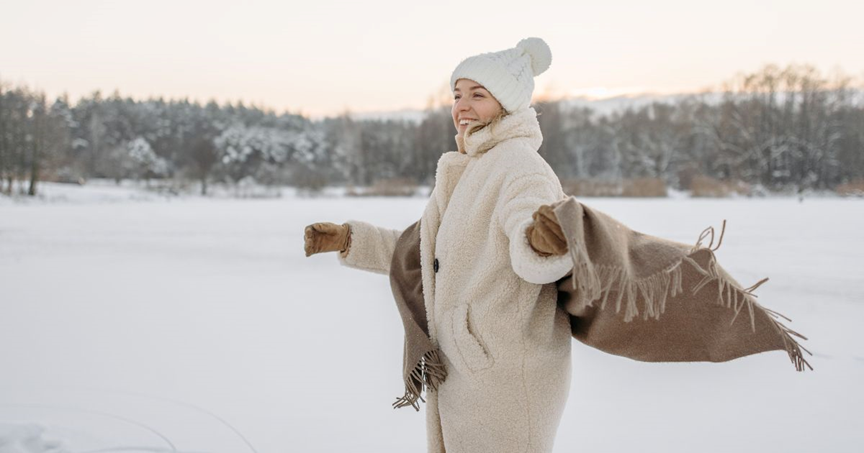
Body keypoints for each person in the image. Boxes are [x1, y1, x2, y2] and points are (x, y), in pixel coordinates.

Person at [305, 37, 573, 453]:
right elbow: (428, 254)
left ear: (507, 104)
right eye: (457, 94)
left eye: (478, 95)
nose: (462, 105)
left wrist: (539, 241)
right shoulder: (471, 169)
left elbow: (538, 244)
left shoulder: (520, 166)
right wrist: (349, 240)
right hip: (466, 367)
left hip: (505, 374)